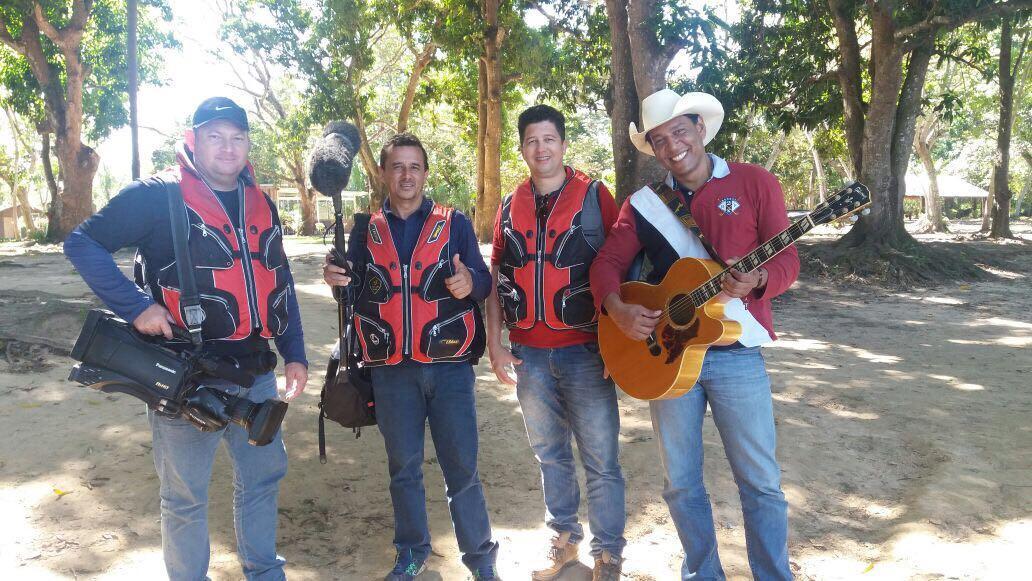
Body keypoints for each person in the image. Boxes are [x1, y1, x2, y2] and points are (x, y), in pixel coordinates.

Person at [64, 97, 308, 580]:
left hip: (257, 374)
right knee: (184, 498)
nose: (228, 147)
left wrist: (295, 353)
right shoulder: (157, 196)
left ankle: (264, 573)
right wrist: (137, 307)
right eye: (215, 136)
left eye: (238, 137)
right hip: (186, 378)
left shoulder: (261, 202)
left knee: (262, 481)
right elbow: (82, 243)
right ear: (193, 140)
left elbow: (277, 281)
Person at [589, 89, 800, 580]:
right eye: (659, 140)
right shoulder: (642, 205)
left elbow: (786, 259)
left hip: (737, 352)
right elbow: (607, 263)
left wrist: (761, 280)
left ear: (701, 128)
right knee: (681, 484)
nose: (672, 145)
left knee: (761, 482)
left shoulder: (754, 182)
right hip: (669, 355)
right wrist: (617, 309)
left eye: (679, 131)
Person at [322, 133, 500, 581]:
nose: (406, 175)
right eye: (397, 166)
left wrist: (471, 285)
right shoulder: (364, 229)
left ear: (425, 172)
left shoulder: (454, 223)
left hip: (450, 369)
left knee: (462, 469)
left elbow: (482, 279)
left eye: (414, 166)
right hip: (391, 372)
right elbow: (350, 290)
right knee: (403, 468)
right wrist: (334, 278)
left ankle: (480, 559)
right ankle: (412, 552)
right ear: (383, 173)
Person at [484, 105, 625, 581]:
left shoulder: (595, 197)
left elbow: (621, 267)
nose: (540, 148)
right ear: (522, 148)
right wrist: (496, 345)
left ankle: (608, 553)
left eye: (549, 139)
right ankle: (564, 540)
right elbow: (497, 278)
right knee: (550, 453)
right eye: (531, 141)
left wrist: (619, 345)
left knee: (602, 458)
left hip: (587, 352)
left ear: (563, 145)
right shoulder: (508, 205)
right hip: (529, 355)